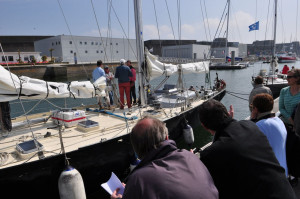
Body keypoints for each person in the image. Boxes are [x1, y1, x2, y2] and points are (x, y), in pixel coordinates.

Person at [198, 99, 296, 199]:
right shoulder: (251, 126)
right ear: (227, 113)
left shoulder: (210, 154)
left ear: (204, 126)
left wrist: (192, 160)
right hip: (286, 192)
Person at [111, 116, 219, 199]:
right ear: (167, 137)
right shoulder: (190, 156)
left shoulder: (139, 180)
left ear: (137, 150)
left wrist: (131, 190)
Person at [251, 93, 288, 177]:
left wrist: (252, 119)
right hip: (282, 173)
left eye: (253, 108)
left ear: (256, 109)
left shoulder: (260, 125)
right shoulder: (279, 121)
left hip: (270, 177)